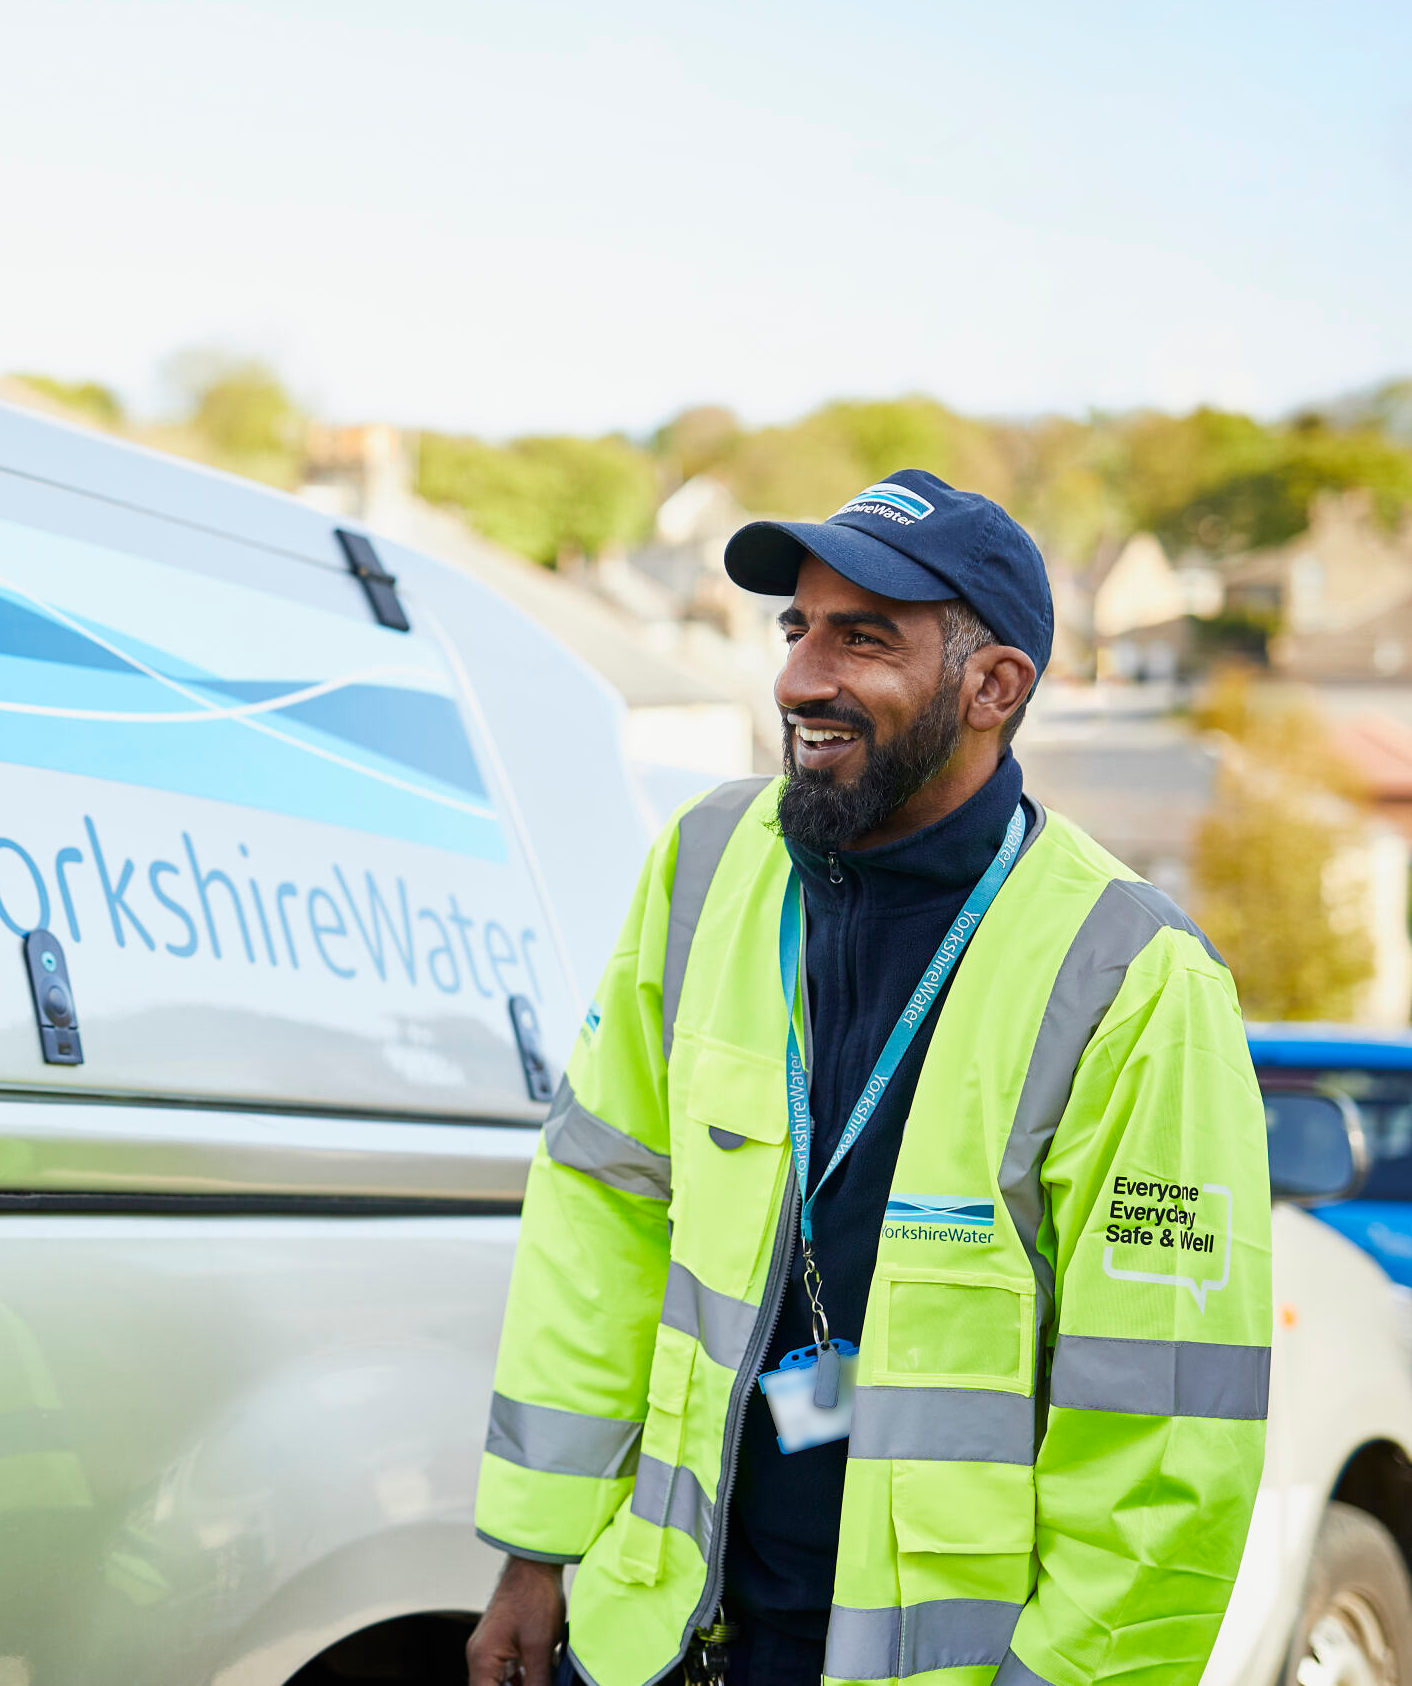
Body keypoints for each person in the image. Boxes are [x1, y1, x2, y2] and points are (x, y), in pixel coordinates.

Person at [465, 471, 1269, 1686]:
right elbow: (602, 1211)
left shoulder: (1134, 974)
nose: (798, 677)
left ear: (992, 686)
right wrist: (534, 1549)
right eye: (796, 628)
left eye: (863, 637)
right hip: (654, 1637)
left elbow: (1161, 1431)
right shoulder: (701, 865)